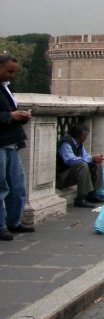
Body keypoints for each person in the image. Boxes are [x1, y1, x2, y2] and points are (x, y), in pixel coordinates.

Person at [0, 54, 34, 240]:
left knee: (17, 185)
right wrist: (10, 117)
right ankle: (1, 225)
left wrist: (20, 116)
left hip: (11, 142)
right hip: (1, 143)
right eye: (9, 71)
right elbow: (5, 115)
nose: (13, 75)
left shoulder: (5, 88)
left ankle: (13, 220)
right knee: (1, 186)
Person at [56, 124, 104, 207]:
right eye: (85, 135)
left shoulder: (79, 144)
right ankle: (81, 198)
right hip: (62, 176)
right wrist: (91, 159)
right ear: (79, 135)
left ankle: (92, 194)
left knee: (96, 164)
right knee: (82, 166)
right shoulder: (66, 143)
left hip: (70, 172)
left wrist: (94, 158)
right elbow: (70, 160)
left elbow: (85, 156)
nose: (86, 137)